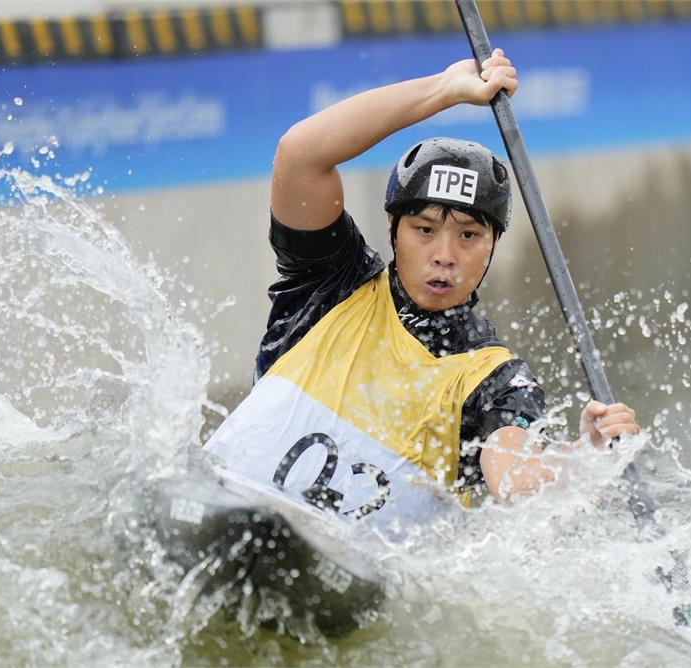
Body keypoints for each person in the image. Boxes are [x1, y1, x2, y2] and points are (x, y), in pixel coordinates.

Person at [204, 48, 641, 534]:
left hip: (343, 569)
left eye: (469, 236)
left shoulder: (495, 380)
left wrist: (586, 460)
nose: (445, 255)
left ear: (493, 244)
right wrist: (446, 89)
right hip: (225, 505)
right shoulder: (328, 282)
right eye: (424, 229)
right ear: (393, 227)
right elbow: (300, 153)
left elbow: (516, 486)